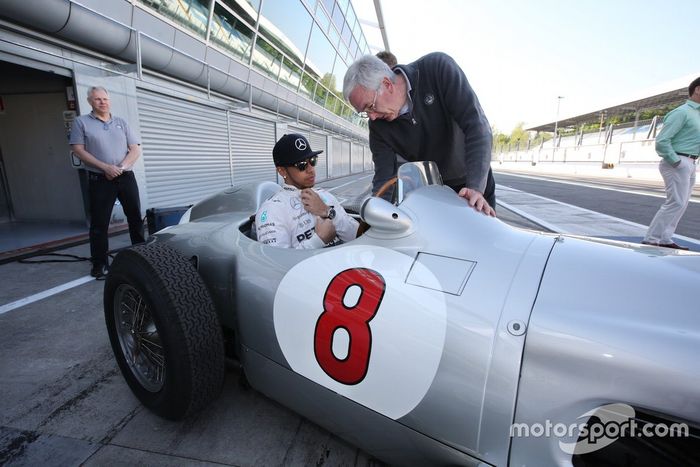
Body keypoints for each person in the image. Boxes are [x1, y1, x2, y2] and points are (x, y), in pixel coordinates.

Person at [343, 53, 496, 216]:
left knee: (483, 237)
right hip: (434, 192)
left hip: (472, 179)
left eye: (370, 106)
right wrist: (378, 213)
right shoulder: (377, 126)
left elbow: (477, 126)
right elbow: (384, 177)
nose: (372, 117)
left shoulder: (437, 69)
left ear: (387, 84)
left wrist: (475, 188)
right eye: (364, 112)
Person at [70, 86, 145, 277]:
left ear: (109, 101)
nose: (102, 102)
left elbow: (135, 149)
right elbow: (78, 149)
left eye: (105, 99)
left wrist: (120, 168)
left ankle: (142, 256)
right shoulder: (81, 122)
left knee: (135, 217)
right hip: (100, 179)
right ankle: (99, 265)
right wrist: (105, 168)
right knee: (99, 224)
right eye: (97, 99)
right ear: (90, 102)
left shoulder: (121, 122)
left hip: (125, 176)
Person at [256, 134, 359, 248]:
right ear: (282, 171)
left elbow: (356, 235)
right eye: (302, 165)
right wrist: (319, 240)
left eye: (312, 160)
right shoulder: (272, 210)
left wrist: (327, 211)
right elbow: (277, 262)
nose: (311, 170)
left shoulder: (324, 195)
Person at [642, 77, 700, 250]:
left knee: (681, 203)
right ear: (697, 89)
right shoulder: (682, 112)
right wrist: (676, 161)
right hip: (678, 161)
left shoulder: (697, 114)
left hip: (691, 162)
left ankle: (665, 238)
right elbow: (662, 141)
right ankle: (651, 239)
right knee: (676, 202)